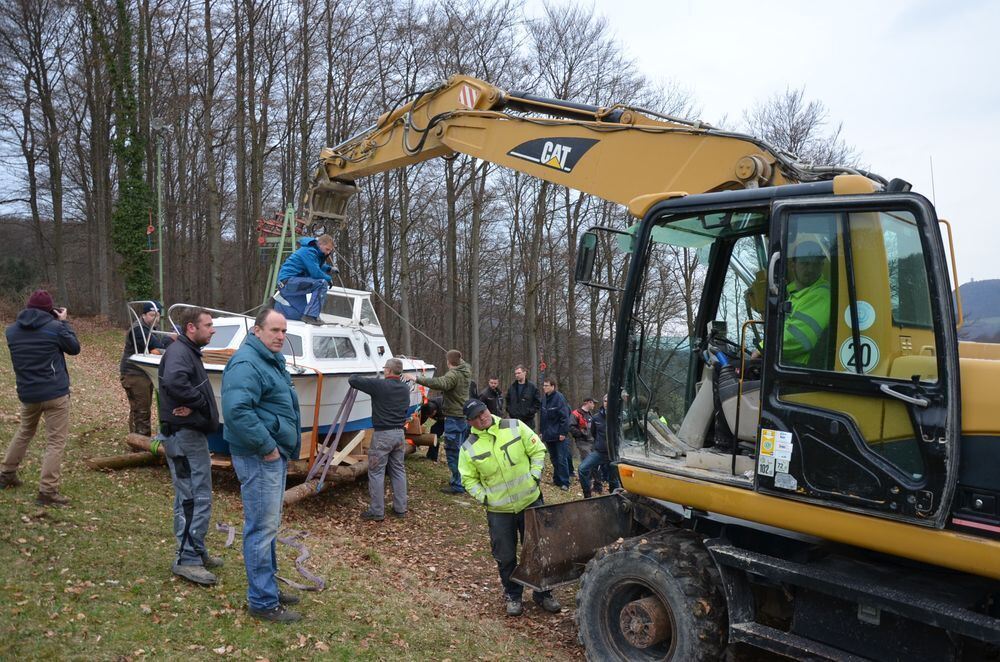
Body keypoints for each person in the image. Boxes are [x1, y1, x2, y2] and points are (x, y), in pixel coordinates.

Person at [222, 308, 303, 623]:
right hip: (259, 456)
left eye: (284, 331)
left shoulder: (269, 359)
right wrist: (267, 447)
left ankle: (267, 587)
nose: (281, 336)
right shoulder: (246, 363)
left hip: (271, 453)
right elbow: (237, 411)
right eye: (274, 330)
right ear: (257, 331)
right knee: (260, 528)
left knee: (267, 527)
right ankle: (263, 602)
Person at [458, 398, 562, 617]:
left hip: (530, 502)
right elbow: (468, 479)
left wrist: (535, 476)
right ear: (469, 423)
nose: (482, 417)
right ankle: (513, 595)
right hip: (499, 511)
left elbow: (537, 450)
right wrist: (484, 498)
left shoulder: (514, 426)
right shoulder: (468, 448)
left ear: (488, 410)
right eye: (476, 417)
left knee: (537, 550)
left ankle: (543, 593)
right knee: (505, 556)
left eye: (483, 412)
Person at [157, 307, 221, 586]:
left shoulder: (186, 352)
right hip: (184, 437)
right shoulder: (180, 353)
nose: (213, 329)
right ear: (190, 328)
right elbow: (173, 382)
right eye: (208, 325)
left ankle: (195, 547)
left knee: (191, 495)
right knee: (194, 497)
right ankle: (187, 559)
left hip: (187, 435)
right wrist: (201, 403)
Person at [0, 290, 80, 506]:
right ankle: (47, 491)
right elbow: (74, 348)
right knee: (55, 441)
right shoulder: (55, 328)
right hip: (55, 393)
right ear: (50, 310)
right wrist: (63, 323)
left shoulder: (11, 331)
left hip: (28, 392)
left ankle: (7, 473)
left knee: (25, 431)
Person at [349, 358, 410, 521]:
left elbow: (353, 380)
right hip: (399, 435)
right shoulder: (405, 388)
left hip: (383, 435)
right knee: (398, 470)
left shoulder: (380, 386)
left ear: (389, 371)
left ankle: (377, 511)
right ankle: (401, 509)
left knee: (376, 472)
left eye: (385, 369)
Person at [406, 349, 472, 494]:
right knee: (461, 451)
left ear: (449, 362)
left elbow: (440, 383)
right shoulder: (466, 369)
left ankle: (458, 485)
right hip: (462, 417)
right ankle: (461, 480)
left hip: (454, 418)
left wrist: (416, 378)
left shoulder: (453, 375)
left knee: (453, 451)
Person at [120, 301, 174, 436]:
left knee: (140, 408)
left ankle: (137, 439)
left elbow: (160, 345)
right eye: (152, 315)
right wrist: (170, 339)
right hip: (134, 374)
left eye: (157, 316)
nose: (155, 318)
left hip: (144, 373)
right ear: (143, 315)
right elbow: (156, 346)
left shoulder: (151, 329)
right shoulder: (138, 329)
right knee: (141, 409)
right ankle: (140, 442)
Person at [781, 240, 831, 367]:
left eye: (816, 264)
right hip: (785, 368)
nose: (811, 269)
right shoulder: (792, 294)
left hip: (800, 374)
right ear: (793, 265)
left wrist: (764, 347)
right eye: (805, 263)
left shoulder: (821, 294)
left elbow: (799, 338)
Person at [273, 234, 335, 325]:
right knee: (322, 284)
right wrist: (328, 278)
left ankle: (273, 312)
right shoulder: (308, 251)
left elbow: (315, 265)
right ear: (320, 244)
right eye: (327, 249)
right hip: (288, 281)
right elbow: (315, 272)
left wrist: (329, 269)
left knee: (301, 314)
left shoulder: (313, 252)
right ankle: (311, 316)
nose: (328, 253)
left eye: (330, 250)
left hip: (291, 283)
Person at [578, 395, 621, 499]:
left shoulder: (619, 417)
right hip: (599, 452)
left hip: (614, 454)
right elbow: (593, 433)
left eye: (609, 401)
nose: (607, 403)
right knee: (582, 469)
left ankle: (614, 499)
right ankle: (587, 496)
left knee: (614, 480)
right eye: (605, 401)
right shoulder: (596, 417)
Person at [539, 378, 571, 490]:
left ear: (553, 386)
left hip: (559, 435)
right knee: (554, 459)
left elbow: (565, 417)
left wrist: (563, 433)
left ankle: (565, 482)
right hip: (548, 435)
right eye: (544, 385)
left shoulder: (559, 398)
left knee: (562, 459)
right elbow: (543, 418)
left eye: (547, 385)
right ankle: (557, 480)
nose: (544, 387)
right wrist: (541, 432)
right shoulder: (544, 399)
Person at [570, 397, 600, 494]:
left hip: (592, 442)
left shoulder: (590, 414)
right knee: (587, 463)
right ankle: (587, 486)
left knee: (595, 464)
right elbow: (571, 427)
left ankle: (596, 485)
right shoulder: (576, 414)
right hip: (583, 443)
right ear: (587, 403)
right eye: (592, 403)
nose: (593, 405)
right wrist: (581, 435)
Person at [505, 364, 541, 431]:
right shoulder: (512, 387)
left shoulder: (532, 387)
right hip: (514, 421)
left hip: (528, 421)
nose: (517, 375)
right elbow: (507, 401)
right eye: (515, 373)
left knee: (527, 440)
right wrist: (510, 411)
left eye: (519, 373)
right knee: (515, 440)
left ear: (524, 373)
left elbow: (537, 403)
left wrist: (529, 412)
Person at [419, 395, 445, 461]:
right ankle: (431, 456)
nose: (429, 417)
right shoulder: (426, 406)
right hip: (440, 418)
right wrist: (418, 426)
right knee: (434, 433)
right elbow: (424, 417)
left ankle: (434, 457)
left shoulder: (443, 405)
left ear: (435, 411)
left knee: (437, 435)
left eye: (430, 415)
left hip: (450, 418)